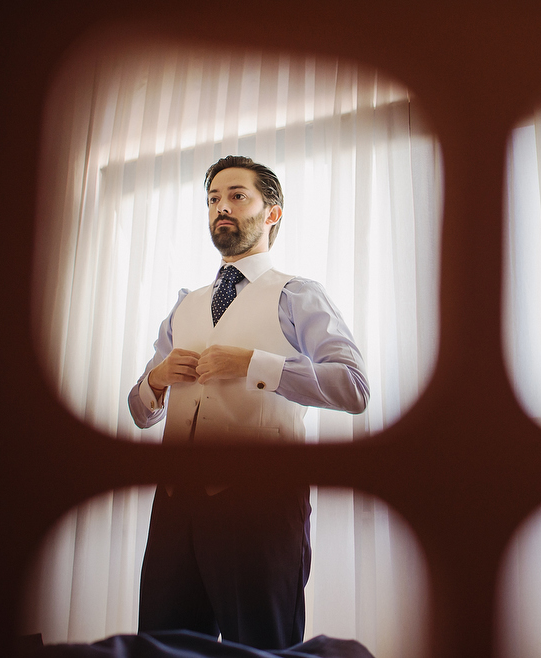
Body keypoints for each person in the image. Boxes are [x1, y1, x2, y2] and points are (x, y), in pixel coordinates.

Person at [127, 156, 369, 650]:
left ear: (272, 213)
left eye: (237, 196)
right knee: (159, 648)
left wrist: (255, 364)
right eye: (214, 198)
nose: (222, 207)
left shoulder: (299, 295)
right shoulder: (184, 305)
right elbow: (140, 411)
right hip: (174, 508)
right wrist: (155, 379)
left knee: (262, 646)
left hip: (262, 505)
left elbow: (353, 387)